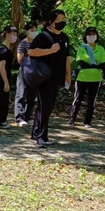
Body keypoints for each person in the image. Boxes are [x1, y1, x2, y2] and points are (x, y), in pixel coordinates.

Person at [27, 9, 71, 148]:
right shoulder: (43, 36)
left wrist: (68, 75)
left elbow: (67, 58)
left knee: (48, 107)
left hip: (57, 77)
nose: (62, 22)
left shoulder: (64, 38)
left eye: (63, 19)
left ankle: (38, 134)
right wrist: (50, 50)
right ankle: (41, 137)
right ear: (51, 22)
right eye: (59, 19)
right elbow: (31, 51)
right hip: (43, 77)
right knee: (44, 106)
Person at [68, 26, 105, 128]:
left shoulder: (100, 49)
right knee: (77, 99)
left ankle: (87, 121)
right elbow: (82, 63)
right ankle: (72, 119)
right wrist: (96, 66)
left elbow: (103, 65)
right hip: (82, 77)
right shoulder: (82, 48)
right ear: (85, 36)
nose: (91, 36)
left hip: (96, 78)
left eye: (93, 34)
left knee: (92, 101)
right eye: (89, 34)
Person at [14, 21, 38, 126]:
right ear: (27, 31)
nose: (34, 32)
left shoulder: (38, 43)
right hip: (24, 72)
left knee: (32, 96)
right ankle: (19, 117)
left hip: (35, 72)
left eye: (35, 30)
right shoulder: (22, 43)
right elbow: (19, 59)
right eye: (32, 30)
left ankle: (28, 116)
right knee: (21, 94)